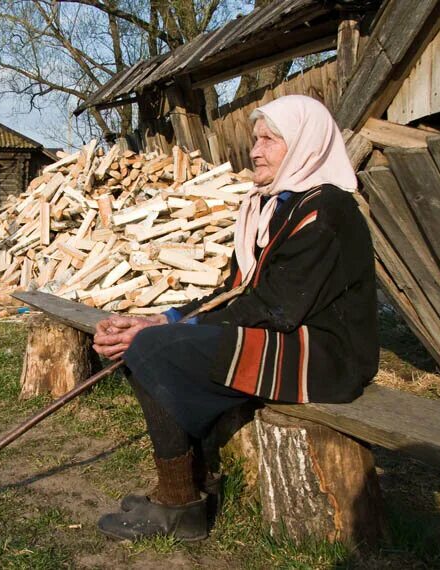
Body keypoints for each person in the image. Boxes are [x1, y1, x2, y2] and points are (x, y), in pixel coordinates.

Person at [92, 95, 379, 542]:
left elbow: (275, 307)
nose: (255, 150)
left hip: (324, 355)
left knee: (152, 349)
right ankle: (185, 486)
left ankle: (178, 503)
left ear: (305, 144)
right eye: (255, 138)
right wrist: (162, 318)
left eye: (269, 139)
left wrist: (163, 333)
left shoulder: (327, 210)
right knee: (150, 344)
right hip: (286, 333)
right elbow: (235, 292)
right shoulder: (275, 206)